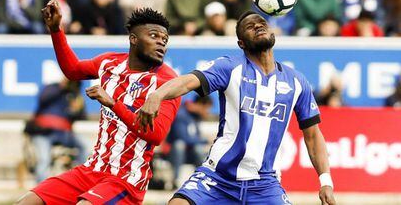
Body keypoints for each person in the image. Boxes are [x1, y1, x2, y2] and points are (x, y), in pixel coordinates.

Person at [139, 11, 336, 205]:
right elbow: (187, 81)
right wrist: (158, 94)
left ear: (273, 34)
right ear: (241, 43)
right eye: (250, 27)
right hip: (218, 178)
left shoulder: (296, 81)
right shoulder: (229, 67)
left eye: (262, 24)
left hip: (265, 185)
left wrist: (325, 181)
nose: (258, 26)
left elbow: (313, 136)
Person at [16, 0, 181, 205]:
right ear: (133, 39)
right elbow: (72, 70)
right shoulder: (109, 63)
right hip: (91, 169)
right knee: (26, 202)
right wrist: (56, 31)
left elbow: (156, 134)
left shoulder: (168, 82)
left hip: (125, 180)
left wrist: (114, 104)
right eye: (154, 36)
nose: (161, 43)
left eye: (165, 39)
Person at [25, 77, 87, 183]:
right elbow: (42, 99)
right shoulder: (53, 87)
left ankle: (79, 181)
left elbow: (82, 116)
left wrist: (77, 108)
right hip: (43, 132)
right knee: (44, 159)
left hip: (64, 134)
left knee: (86, 146)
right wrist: (62, 87)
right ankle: (41, 191)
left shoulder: (74, 96)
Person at [167, 95, 212, 188]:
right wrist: (204, 140)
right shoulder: (181, 115)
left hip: (190, 153)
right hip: (174, 153)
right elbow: (182, 137)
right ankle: (174, 180)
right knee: (179, 144)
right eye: (207, 108)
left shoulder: (195, 117)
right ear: (200, 105)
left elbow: (195, 137)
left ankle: (202, 180)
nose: (207, 112)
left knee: (198, 149)